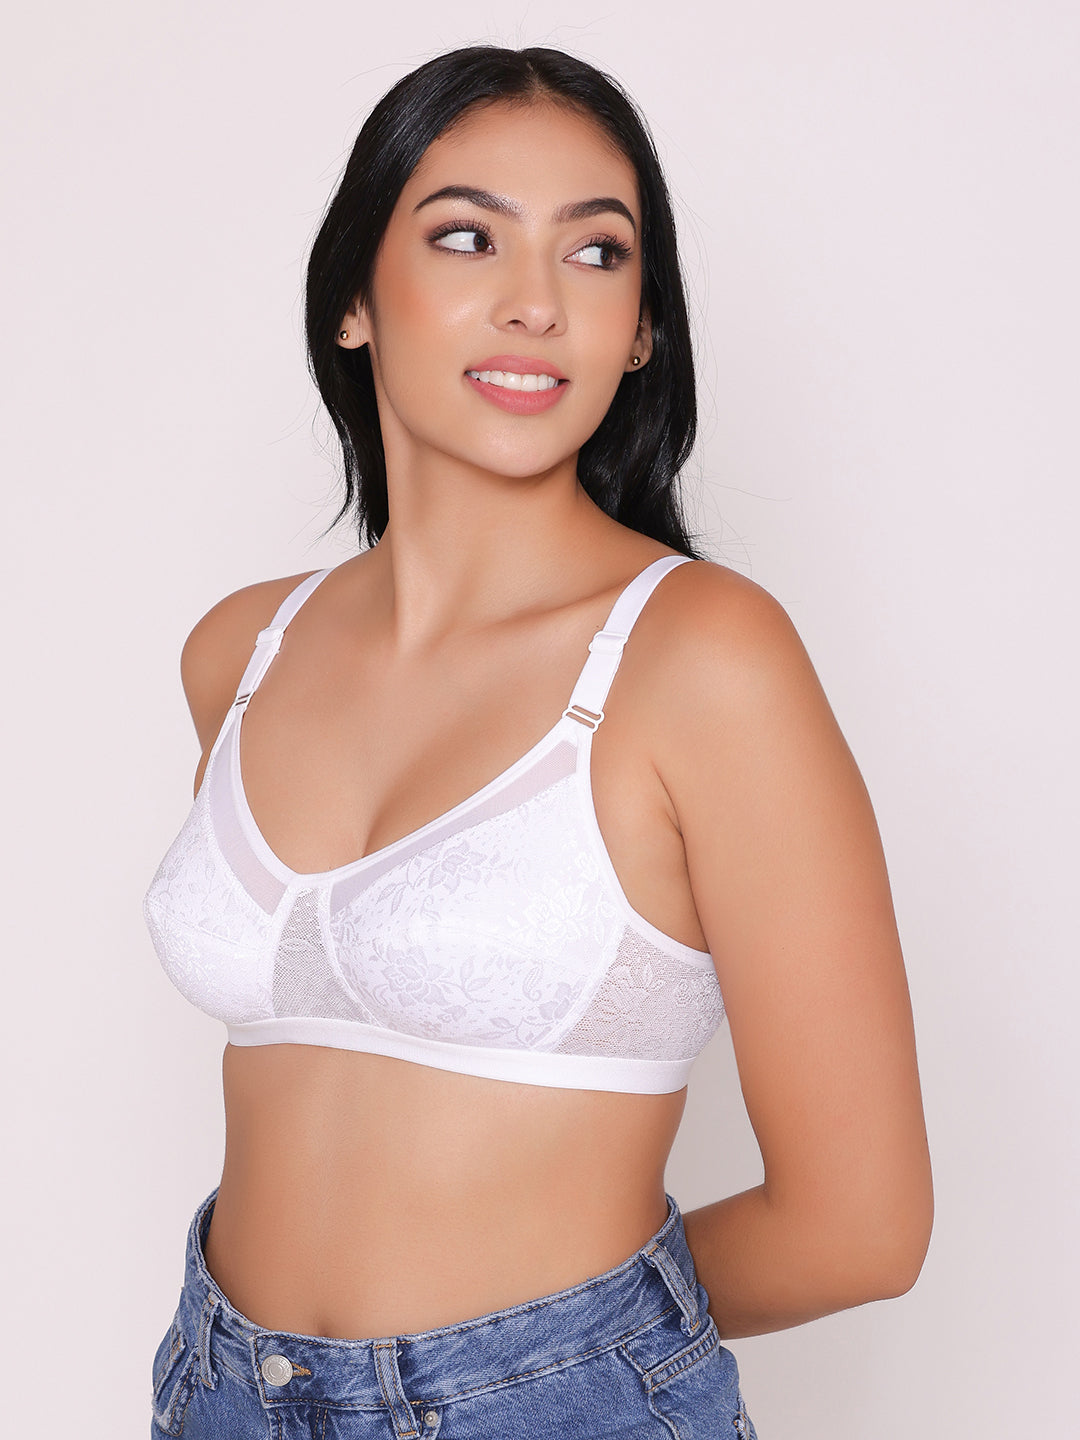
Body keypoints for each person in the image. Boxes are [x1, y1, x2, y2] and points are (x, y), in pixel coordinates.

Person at [144, 43, 933, 1439]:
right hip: (221, 1395)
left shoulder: (704, 660)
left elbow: (859, 1227)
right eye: (467, 236)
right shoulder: (242, 652)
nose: (534, 302)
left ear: (640, 331)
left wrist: (546, 1358)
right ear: (351, 300)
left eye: (596, 253)